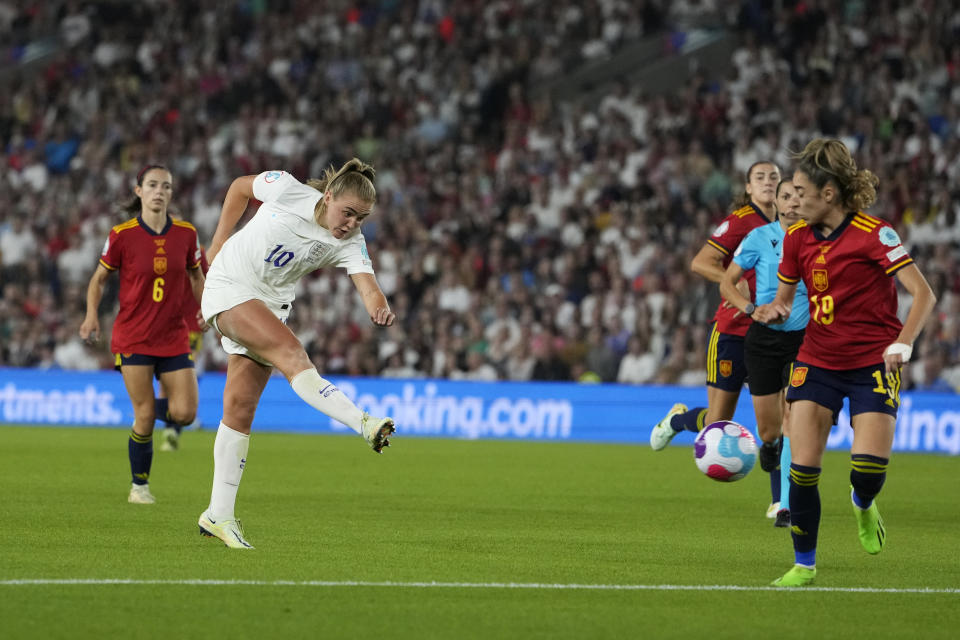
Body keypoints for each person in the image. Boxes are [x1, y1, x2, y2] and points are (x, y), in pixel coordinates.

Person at [755, 139, 936, 587]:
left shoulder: (875, 235)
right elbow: (783, 297)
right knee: (803, 469)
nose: (792, 199)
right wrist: (771, 309)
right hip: (816, 361)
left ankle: (862, 501)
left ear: (829, 194)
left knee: (869, 472)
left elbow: (924, 294)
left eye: (800, 191)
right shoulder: (795, 239)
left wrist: (903, 343)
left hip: (872, 364)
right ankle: (804, 564)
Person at [197, 159, 397, 549]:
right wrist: (218, 242)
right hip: (229, 285)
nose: (353, 223)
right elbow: (239, 187)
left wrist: (378, 306)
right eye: (348, 213)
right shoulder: (285, 188)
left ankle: (218, 514)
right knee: (292, 353)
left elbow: (368, 285)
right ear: (328, 197)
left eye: (362, 218)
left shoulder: (350, 242)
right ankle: (364, 423)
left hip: (270, 306)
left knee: (239, 410)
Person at [79, 165, 204, 504]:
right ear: (139, 191)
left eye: (166, 186)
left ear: (171, 193)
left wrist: (206, 307)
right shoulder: (122, 235)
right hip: (133, 337)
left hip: (174, 335)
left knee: (186, 413)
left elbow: (196, 276)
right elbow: (98, 279)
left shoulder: (187, 234)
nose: (159, 191)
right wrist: (92, 315)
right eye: (152, 185)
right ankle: (139, 486)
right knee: (146, 416)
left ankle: (145, 409)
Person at [650, 161, 780, 450]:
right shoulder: (740, 222)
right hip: (733, 330)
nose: (768, 182)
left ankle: (779, 497)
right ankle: (677, 420)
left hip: (773, 334)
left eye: (774, 177)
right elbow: (700, 262)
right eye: (760, 177)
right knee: (717, 422)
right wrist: (732, 281)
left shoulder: (790, 225)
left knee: (775, 424)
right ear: (748, 187)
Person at [719, 177, 808, 528]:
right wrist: (749, 307)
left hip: (805, 340)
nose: (791, 203)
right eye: (785, 196)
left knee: (792, 421)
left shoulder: (818, 239)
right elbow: (727, 282)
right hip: (764, 339)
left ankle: (786, 505)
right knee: (770, 430)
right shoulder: (758, 238)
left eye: (797, 197)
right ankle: (769, 447)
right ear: (778, 204)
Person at [157, 240, 209, 452]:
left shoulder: (164, 255)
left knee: (175, 376)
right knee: (182, 375)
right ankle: (175, 422)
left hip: (183, 324)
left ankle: (173, 423)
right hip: (180, 324)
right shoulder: (197, 253)